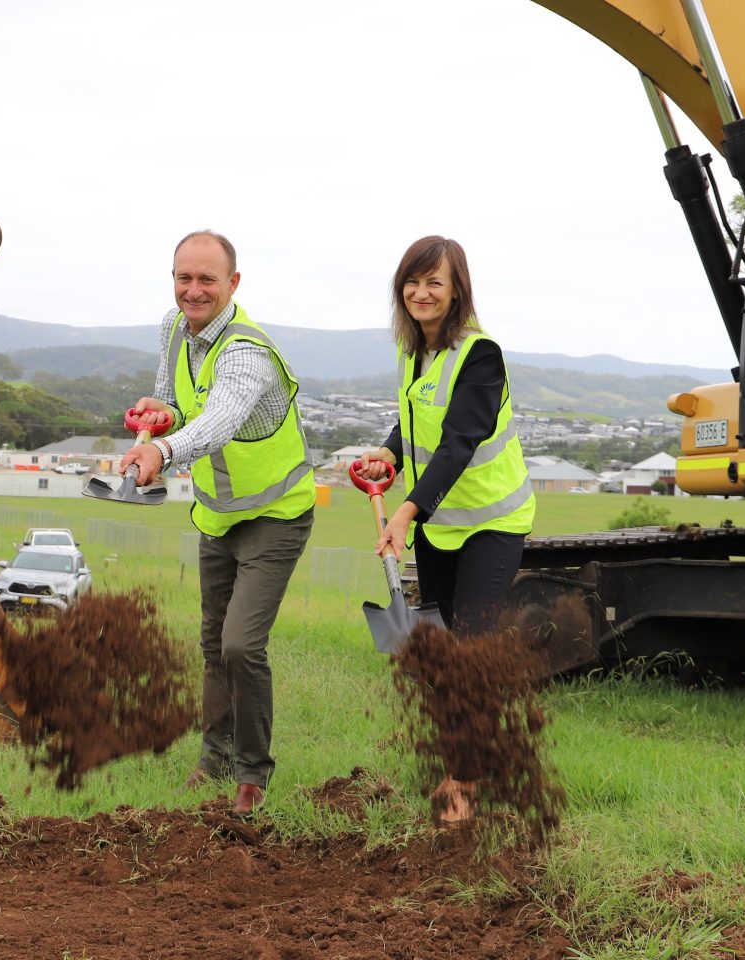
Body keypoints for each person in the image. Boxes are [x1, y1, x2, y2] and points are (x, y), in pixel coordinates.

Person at [119, 230, 316, 815]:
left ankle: (252, 774)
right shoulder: (173, 328)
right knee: (212, 644)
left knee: (239, 645)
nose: (194, 290)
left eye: (208, 279)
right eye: (184, 277)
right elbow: (177, 401)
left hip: (276, 516)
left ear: (233, 283)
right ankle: (215, 759)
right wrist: (159, 415)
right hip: (217, 514)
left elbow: (220, 420)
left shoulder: (246, 352)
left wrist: (162, 452)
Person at [357, 235, 536, 823]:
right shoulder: (414, 350)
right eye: (412, 282)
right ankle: (465, 757)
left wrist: (406, 511)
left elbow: (459, 441)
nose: (421, 292)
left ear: (457, 290)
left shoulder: (481, 356)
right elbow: (415, 422)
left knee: (471, 651)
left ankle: (465, 780)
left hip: (491, 523)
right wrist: (389, 452)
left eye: (435, 282)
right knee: (438, 653)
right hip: (441, 526)